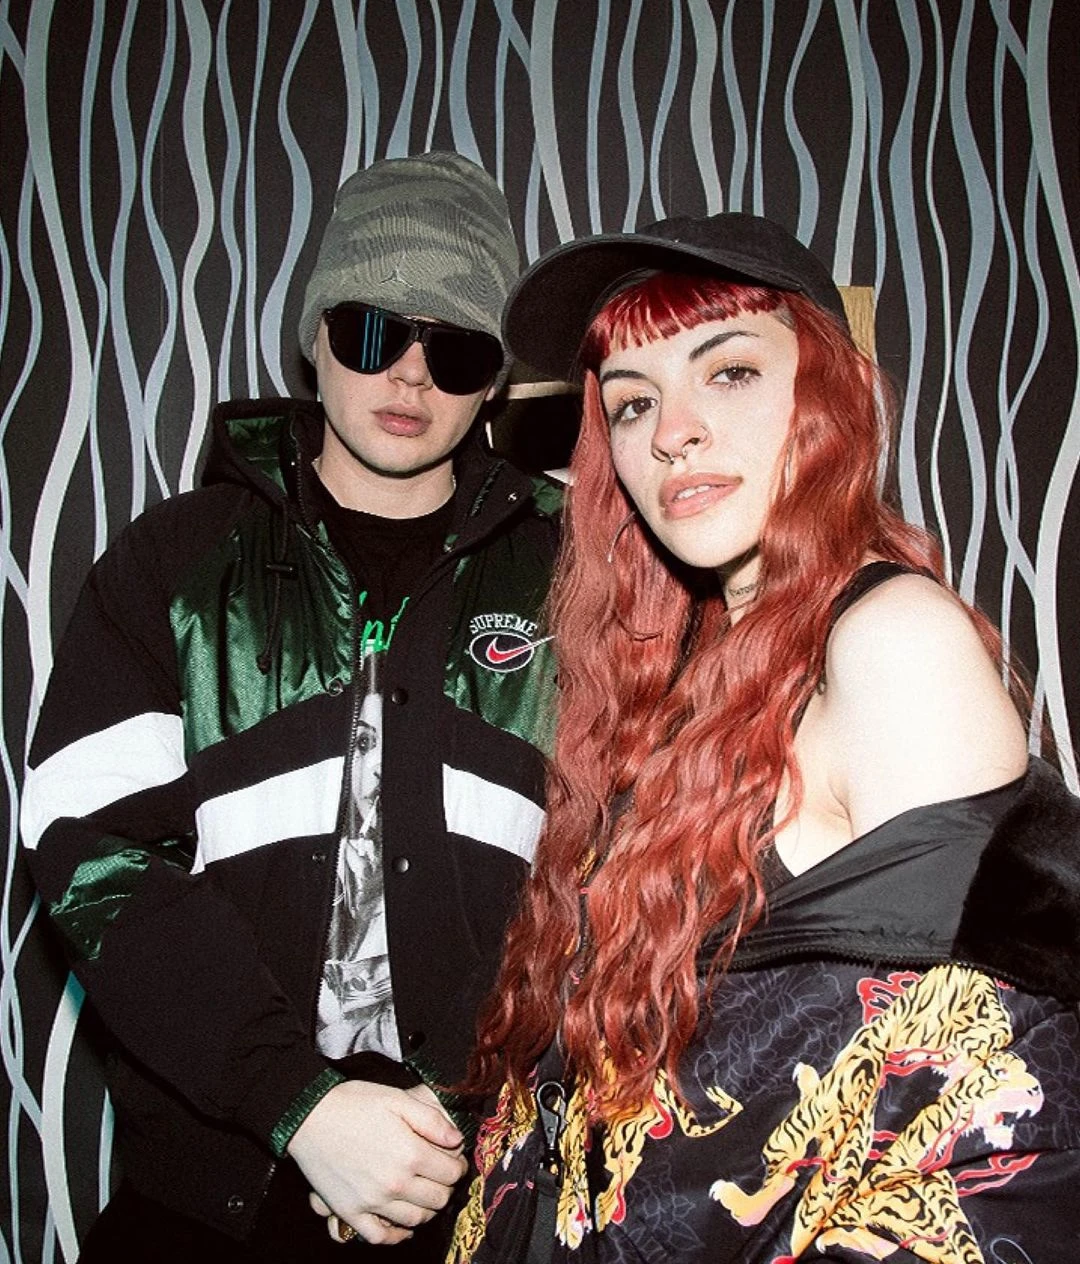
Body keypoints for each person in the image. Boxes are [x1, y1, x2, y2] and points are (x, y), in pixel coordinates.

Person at [448, 213, 1080, 1263]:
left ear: (833, 394)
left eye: (730, 372)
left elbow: (1005, 1127)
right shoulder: (675, 672)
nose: (673, 432)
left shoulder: (888, 644)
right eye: (634, 402)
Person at [20, 152, 561, 1261]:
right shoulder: (174, 562)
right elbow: (90, 850)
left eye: (456, 350)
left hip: (489, 1194)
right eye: (373, 331)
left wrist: (446, 1114)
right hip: (210, 1194)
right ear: (313, 336)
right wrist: (300, 1106)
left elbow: (626, 863)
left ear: (494, 384)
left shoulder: (579, 576)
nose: (409, 375)